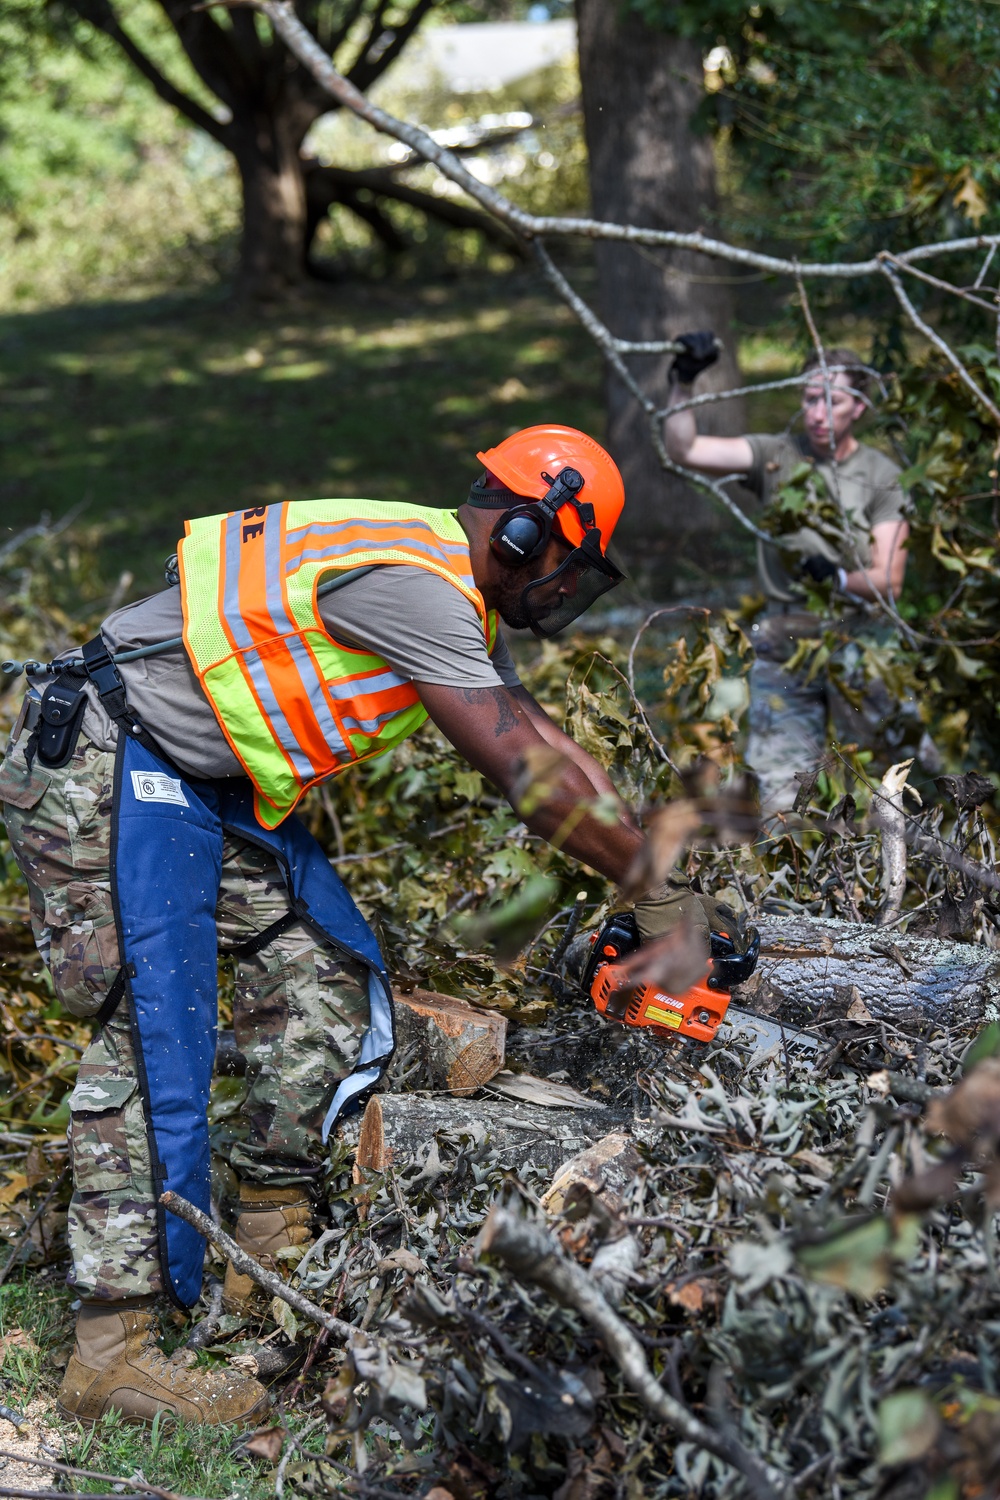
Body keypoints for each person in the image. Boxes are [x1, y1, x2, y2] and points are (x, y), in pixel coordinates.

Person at [0, 425, 751, 1429]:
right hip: (102, 749)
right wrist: (653, 893)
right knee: (150, 1029)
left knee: (322, 982)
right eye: (567, 567)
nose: (563, 594)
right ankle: (114, 1350)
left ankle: (267, 1263)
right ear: (527, 533)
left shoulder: (444, 591)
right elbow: (524, 780)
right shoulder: (414, 584)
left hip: (199, 778)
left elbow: (546, 742)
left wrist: (667, 879)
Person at [663, 334, 911, 813]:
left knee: (897, 766)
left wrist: (837, 580)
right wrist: (683, 381)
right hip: (785, 640)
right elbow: (685, 448)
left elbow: (889, 579)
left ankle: (931, 865)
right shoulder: (776, 454)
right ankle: (794, 874)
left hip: (860, 640)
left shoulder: (881, 474)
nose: (817, 412)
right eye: (809, 398)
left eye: (832, 400)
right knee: (780, 785)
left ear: (858, 407)